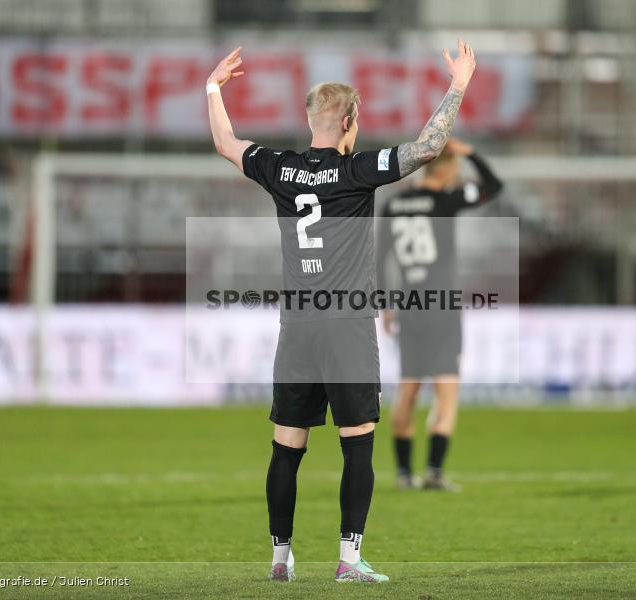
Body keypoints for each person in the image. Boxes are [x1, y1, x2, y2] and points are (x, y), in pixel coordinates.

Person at [205, 40, 477, 583]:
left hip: (297, 329)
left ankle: (280, 561)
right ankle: (348, 560)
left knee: (287, 449)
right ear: (349, 119)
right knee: (358, 447)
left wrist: (213, 88)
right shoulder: (358, 170)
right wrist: (459, 84)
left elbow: (226, 143)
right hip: (348, 328)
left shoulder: (279, 167)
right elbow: (427, 148)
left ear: (312, 121)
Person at [378, 138, 503, 491]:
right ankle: (433, 470)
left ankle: (404, 473)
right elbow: (494, 187)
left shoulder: (393, 204)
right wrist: (471, 151)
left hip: (410, 307)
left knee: (408, 391)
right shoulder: (445, 200)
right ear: (446, 170)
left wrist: (385, 306)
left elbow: (380, 257)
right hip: (442, 307)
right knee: (446, 392)